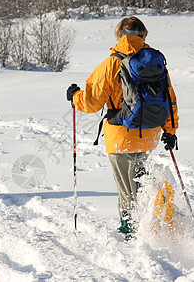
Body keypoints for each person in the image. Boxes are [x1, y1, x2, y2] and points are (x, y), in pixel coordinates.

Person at [66, 16, 179, 234]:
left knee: (127, 188)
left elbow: (91, 102)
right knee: (140, 179)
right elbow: (169, 98)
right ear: (143, 35)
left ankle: (131, 229)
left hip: (120, 135)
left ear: (119, 35)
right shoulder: (155, 61)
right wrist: (170, 131)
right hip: (149, 133)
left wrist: (74, 96)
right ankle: (158, 215)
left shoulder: (111, 64)